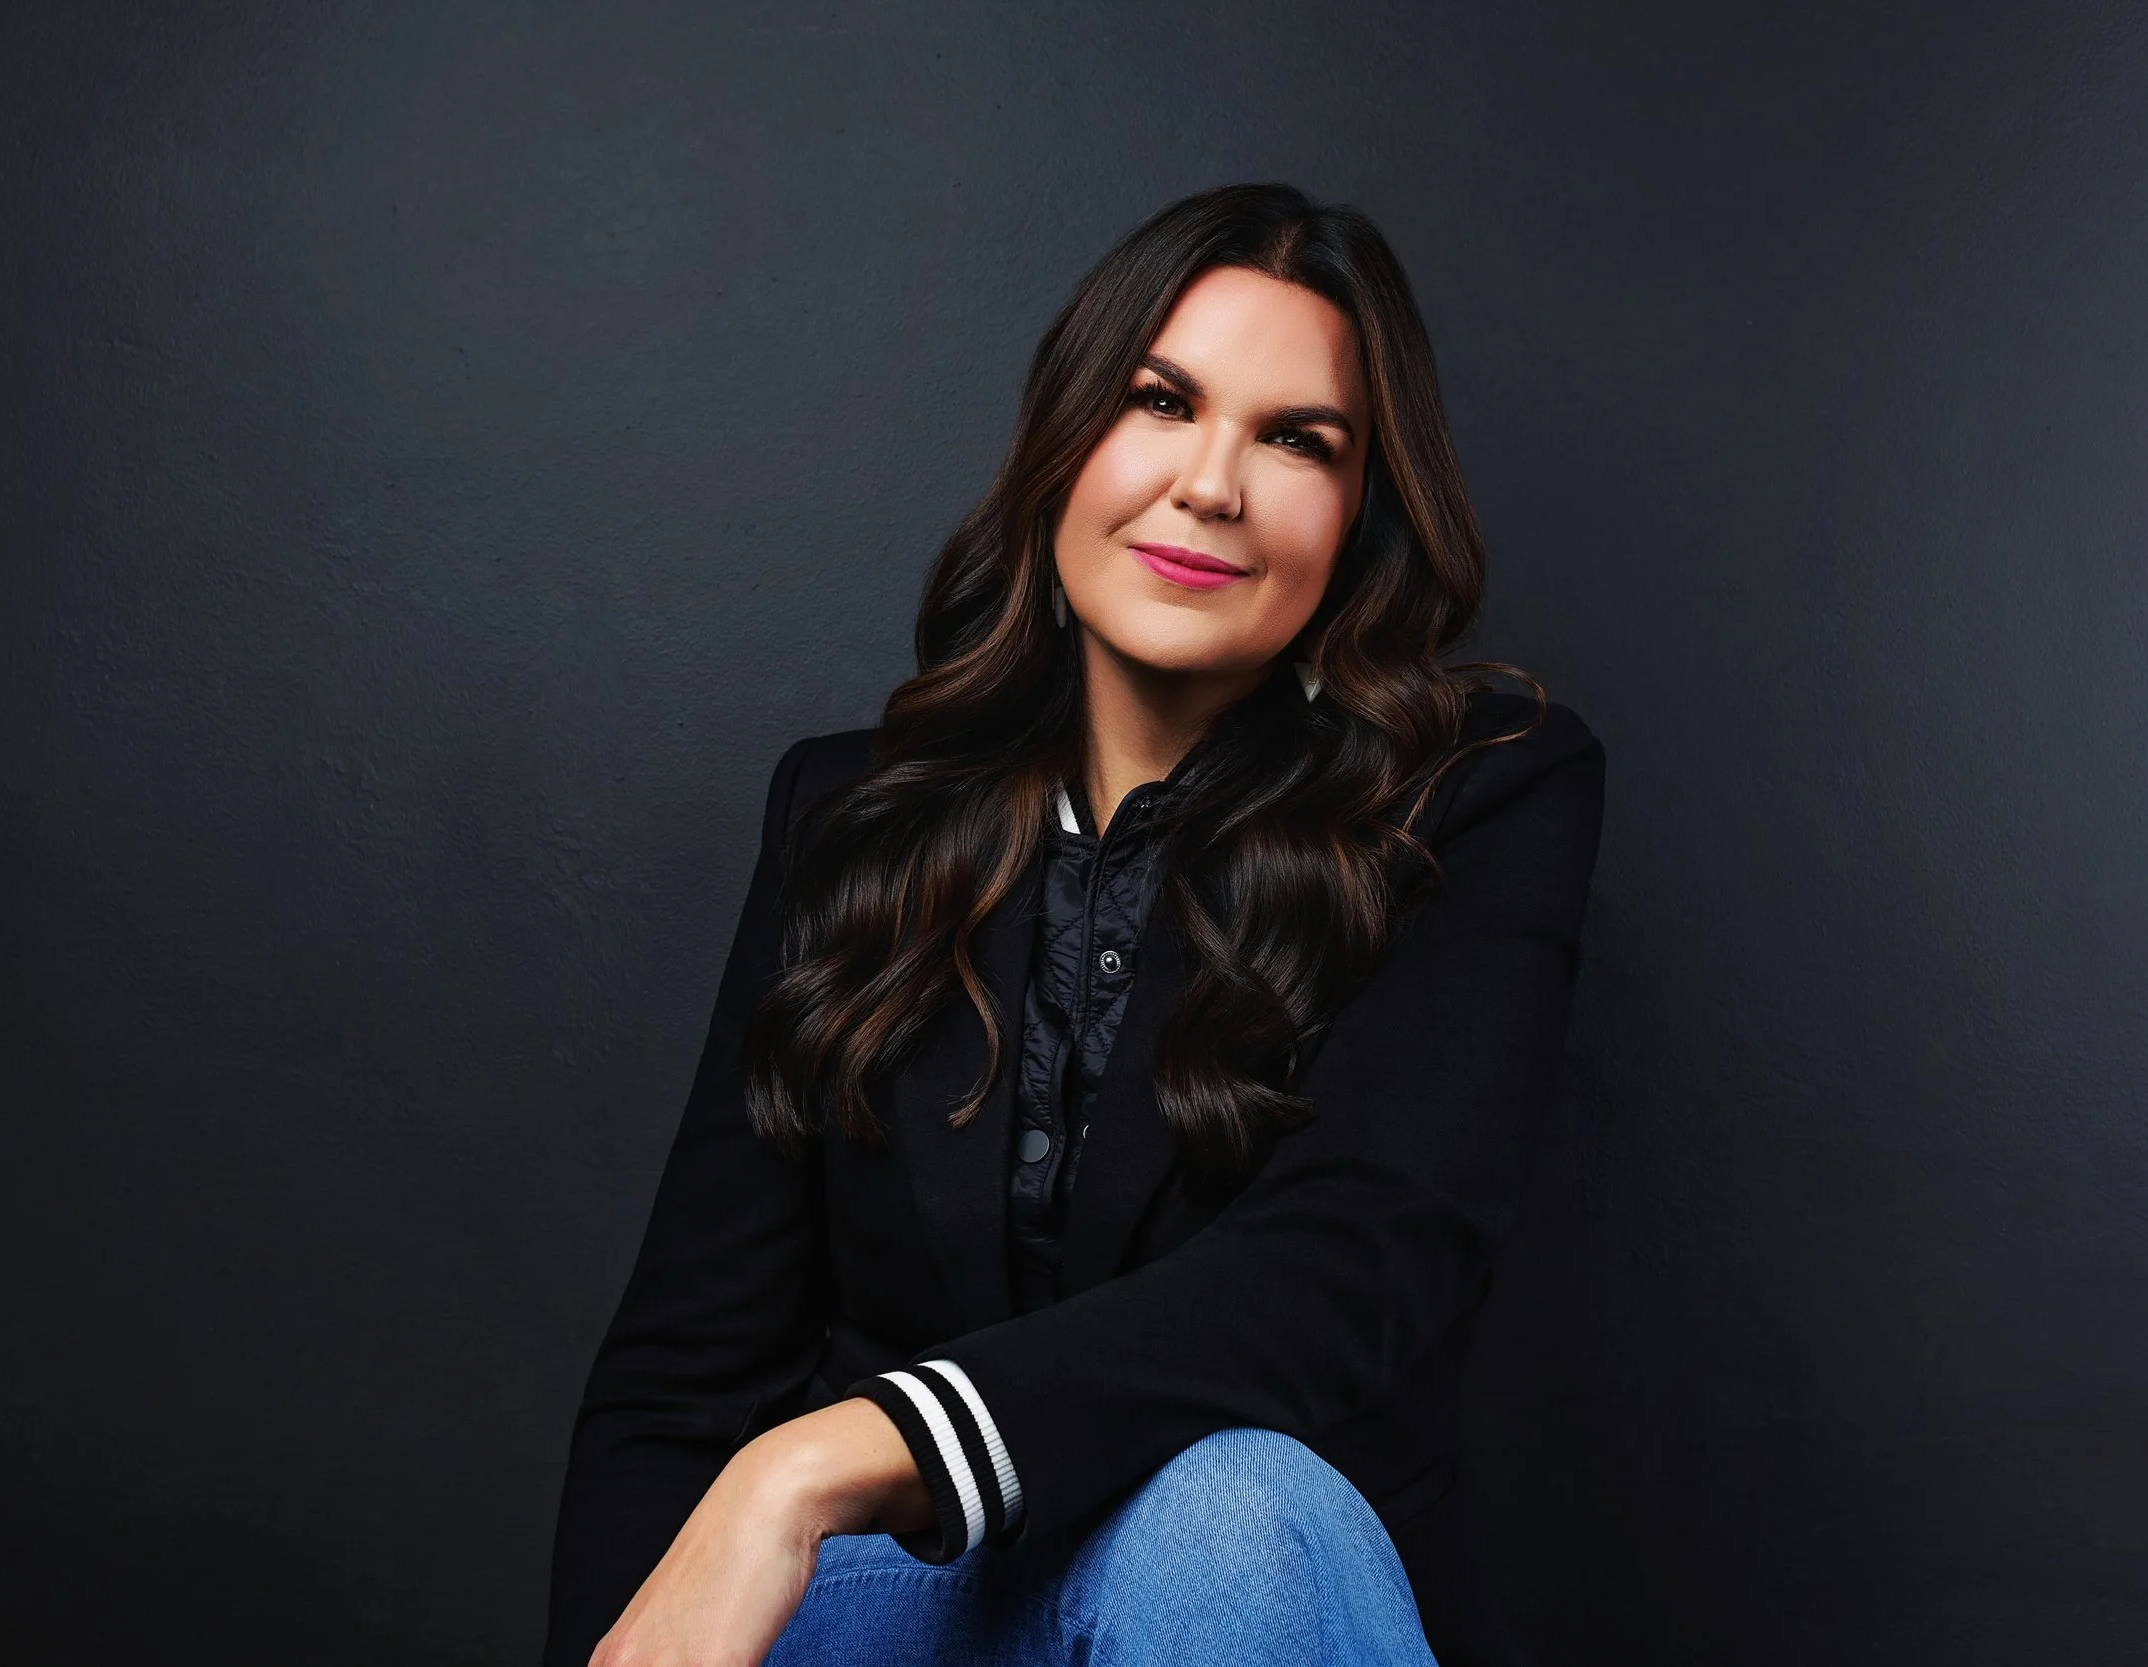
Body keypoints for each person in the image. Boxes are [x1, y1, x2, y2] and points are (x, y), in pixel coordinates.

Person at [544, 182, 1605, 1667]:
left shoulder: (1480, 796)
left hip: (1243, 1600)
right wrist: (707, 1536)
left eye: (1297, 439)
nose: (1211, 483)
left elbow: (1347, 1272)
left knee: (1225, 1504)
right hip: (905, 1607)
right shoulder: (852, 815)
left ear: (1361, 513)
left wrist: (806, 1463)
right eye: (1160, 401)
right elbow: (681, 1371)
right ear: (1064, 437)